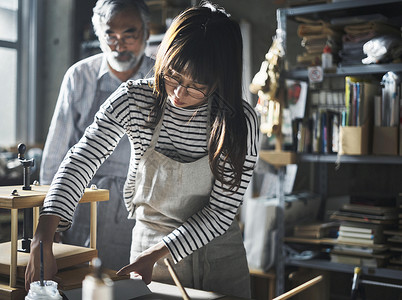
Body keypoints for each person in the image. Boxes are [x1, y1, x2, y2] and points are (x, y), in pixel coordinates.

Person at [27, 2, 259, 298]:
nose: (177, 93)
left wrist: (163, 251)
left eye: (195, 85)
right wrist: (44, 233)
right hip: (148, 251)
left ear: (220, 79)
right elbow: (82, 158)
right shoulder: (134, 99)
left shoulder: (239, 121)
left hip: (218, 258)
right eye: (173, 75)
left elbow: (221, 211)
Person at [39, 0, 155, 271]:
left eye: (129, 34)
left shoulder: (160, 77)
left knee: (129, 284)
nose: (119, 45)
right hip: (81, 200)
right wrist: (47, 220)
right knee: (78, 281)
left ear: (146, 33)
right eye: (110, 36)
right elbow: (56, 152)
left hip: (138, 205)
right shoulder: (79, 76)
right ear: (98, 35)